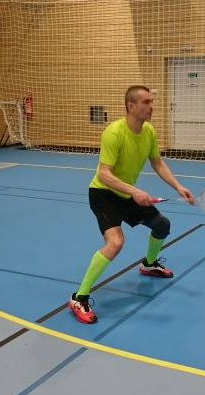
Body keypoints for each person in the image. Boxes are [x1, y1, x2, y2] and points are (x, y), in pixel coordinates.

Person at [68, 85, 195, 324]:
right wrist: (134, 191)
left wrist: (178, 187)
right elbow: (104, 174)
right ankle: (79, 298)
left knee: (162, 226)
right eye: (146, 102)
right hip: (104, 194)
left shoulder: (149, 131)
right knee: (115, 243)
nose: (152, 106)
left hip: (127, 194)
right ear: (131, 106)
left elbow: (158, 163)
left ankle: (149, 265)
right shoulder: (114, 133)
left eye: (152, 102)